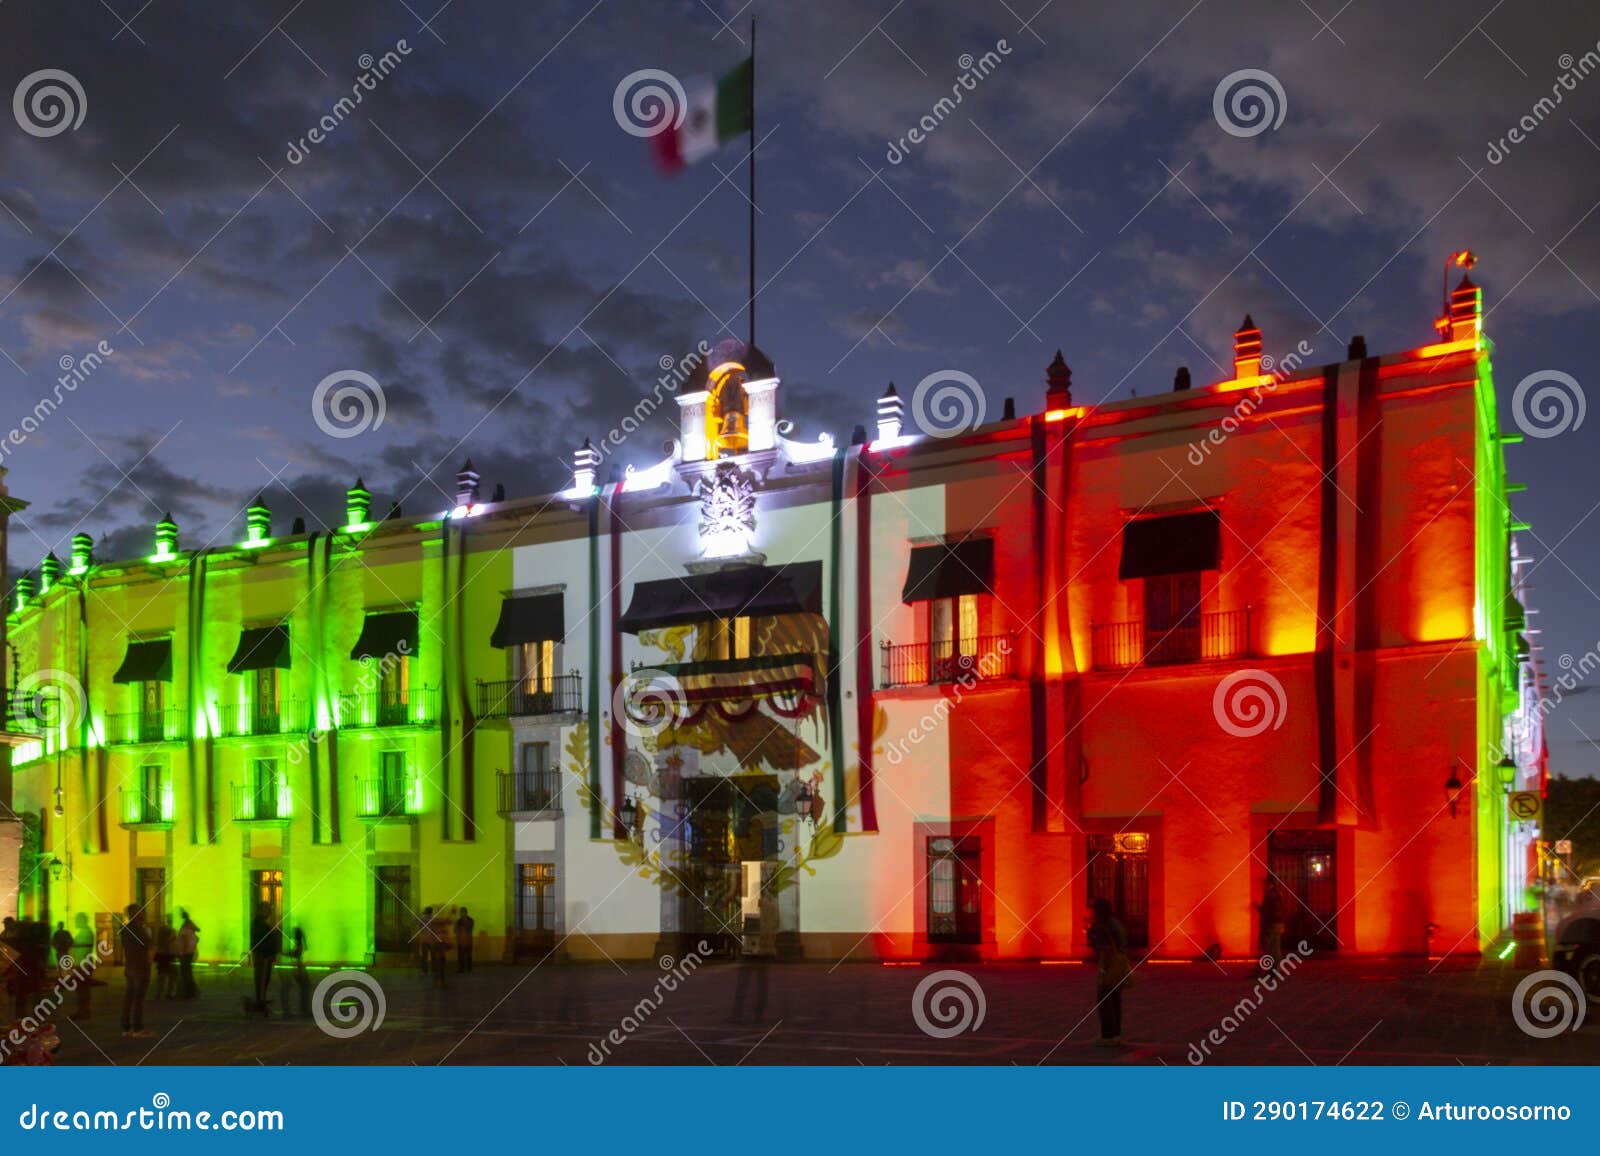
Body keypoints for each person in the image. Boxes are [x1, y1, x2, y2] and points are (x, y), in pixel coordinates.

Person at [1088, 896, 1131, 1047]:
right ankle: (1116, 1034)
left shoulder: (1102, 926)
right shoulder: (1116, 923)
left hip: (1109, 967)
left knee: (1104, 1001)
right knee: (1115, 1001)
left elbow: (1102, 949)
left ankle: (1107, 1036)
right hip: (1119, 966)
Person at [119, 904, 153, 1038]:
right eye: (141, 911)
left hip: (130, 966)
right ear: (137, 913)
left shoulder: (125, 929)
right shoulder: (139, 929)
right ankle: (137, 1028)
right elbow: (147, 943)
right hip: (140, 966)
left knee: (128, 997)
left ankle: (126, 1027)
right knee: (138, 998)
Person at [248, 903, 281, 1015]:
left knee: (264, 980)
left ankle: (261, 1001)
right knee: (262, 980)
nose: (270, 913)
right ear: (262, 911)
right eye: (268, 910)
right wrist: (269, 953)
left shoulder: (261, 922)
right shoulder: (259, 923)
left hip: (264, 957)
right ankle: (260, 1003)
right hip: (263, 957)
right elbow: (262, 941)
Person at [279, 927, 310, 1018]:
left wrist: (283, 953)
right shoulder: (300, 943)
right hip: (299, 969)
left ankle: (298, 1010)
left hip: (297, 969)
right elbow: (296, 954)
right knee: (304, 987)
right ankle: (303, 1009)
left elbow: (295, 954)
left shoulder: (299, 944)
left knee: (295, 987)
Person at [1256, 879, 1285, 967]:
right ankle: (1274, 969)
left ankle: (1274, 970)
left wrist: (1259, 909)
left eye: (1264, 884)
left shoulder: (1270, 895)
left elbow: (1268, 911)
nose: (1262, 886)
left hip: (1272, 924)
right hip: (1278, 923)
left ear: (1269, 884)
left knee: (1272, 948)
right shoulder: (1278, 894)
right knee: (1274, 948)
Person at [176, 910, 199, 999]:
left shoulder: (185, 928)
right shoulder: (190, 928)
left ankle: (190, 992)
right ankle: (191, 991)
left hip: (186, 953)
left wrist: (182, 952)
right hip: (190, 952)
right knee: (187, 972)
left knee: (186, 973)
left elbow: (184, 940)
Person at [154, 916, 178, 999]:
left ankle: (158, 993)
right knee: (172, 975)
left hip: (161, 954)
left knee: (161, 975)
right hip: (169, 955)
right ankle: (169, 993)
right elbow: (171, 941)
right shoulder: (172, 930)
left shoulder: (160, 930)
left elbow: (158, 942)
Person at [454, 907, 475, 973]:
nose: (461, 913)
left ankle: (469, 968)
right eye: (461, 912)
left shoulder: (470, 920)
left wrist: (460, 925)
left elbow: (469, 927)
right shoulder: (459, 921)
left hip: (468, 941)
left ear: (466, 912)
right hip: (461, 940)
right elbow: (455, 930)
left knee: (468, 955)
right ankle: (461, 968)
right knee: (460, 956)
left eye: (462, 912)